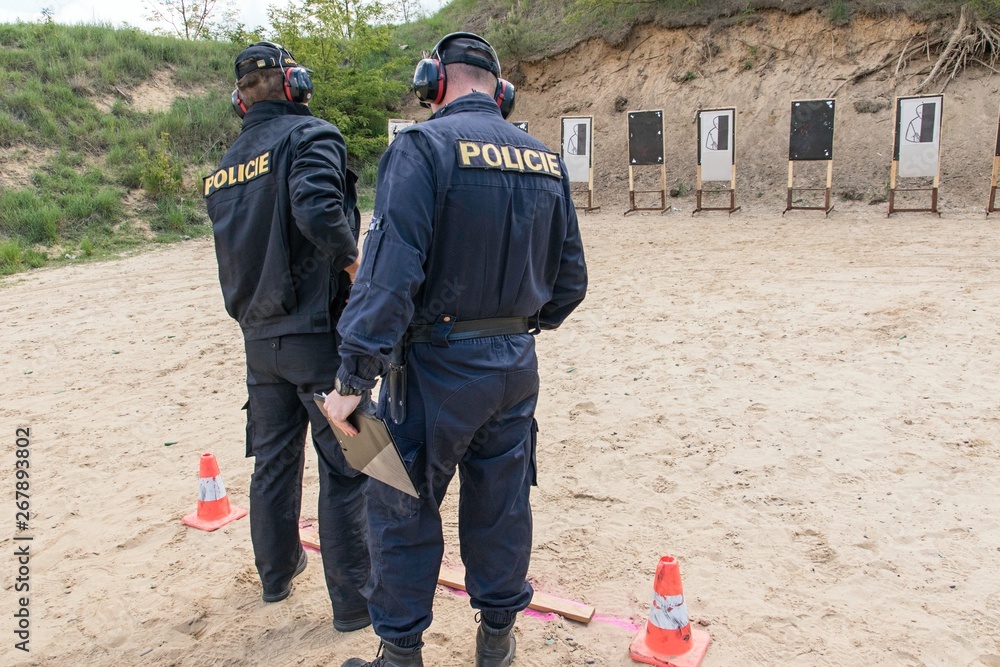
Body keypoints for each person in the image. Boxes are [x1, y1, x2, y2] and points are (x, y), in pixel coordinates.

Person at [324, 32, 588, 667]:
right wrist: (512, 322)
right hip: (514, 366)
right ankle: (497, 638)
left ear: (433, 81)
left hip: (432, 370)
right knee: (502, 503)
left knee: (397, 503)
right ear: (500, 91)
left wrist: (352, 381)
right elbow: (570, 282)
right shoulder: (545, 160)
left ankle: (401, 653)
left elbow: (388, 278)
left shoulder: (420, 147)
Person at [203, 41, 371, 633]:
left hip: (259, 339)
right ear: (295, 83)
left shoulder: (226, 166)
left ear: (240, 100)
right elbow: (321, 210)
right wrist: (357, 268)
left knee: (274, 464)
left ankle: (277, 575)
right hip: (318, 335)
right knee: (355, 465)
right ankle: (356, 605)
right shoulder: (311, 135)